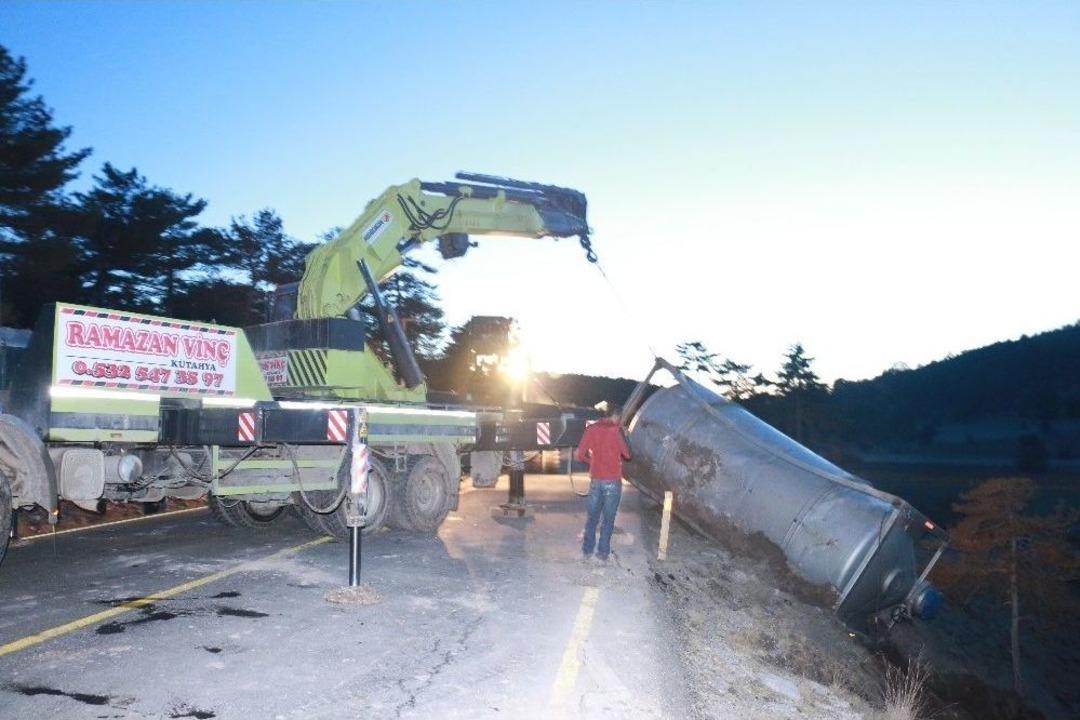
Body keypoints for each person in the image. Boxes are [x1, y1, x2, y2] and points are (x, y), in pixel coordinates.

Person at [574, 403, 631, 562]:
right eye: (619, 418)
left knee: (592, 517)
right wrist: (625, 436)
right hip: (612, 481)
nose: (619, 421)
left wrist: (591, 461)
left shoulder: (591, 429)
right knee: (608, 519)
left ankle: (587, 551)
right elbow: (627, 454)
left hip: (596, 480)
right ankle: (603, 553)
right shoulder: (616, 430)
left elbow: (580, 454)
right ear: (616, 416)